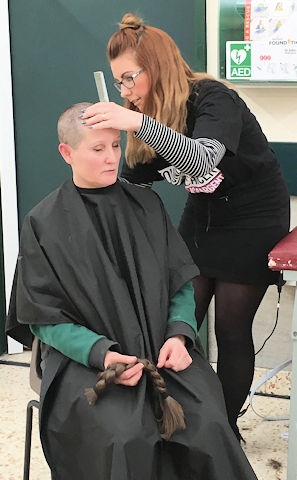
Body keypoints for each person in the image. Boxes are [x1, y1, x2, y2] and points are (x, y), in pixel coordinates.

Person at [6, 102, 259, 480]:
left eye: (115, 146)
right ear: (67, 152)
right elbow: (43, 318)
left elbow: (180, 284)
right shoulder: (44, 223)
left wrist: (180, 333)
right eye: (97, 149)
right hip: (87, 363)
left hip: (161, 350)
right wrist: (101, 354)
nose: (111, 158)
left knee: (206, 423)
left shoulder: (146, 205)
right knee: (124, 437)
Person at [79, 13, 291, 441]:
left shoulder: (214, 99)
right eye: (118, 82)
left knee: (231, 328)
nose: (125, 91)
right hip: (204, 216)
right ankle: (176, 420)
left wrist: (136, 122)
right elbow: (133, 182)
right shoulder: (151, 115)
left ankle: (223, 432)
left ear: (155, 66)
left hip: (254, 216)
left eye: (129, 78)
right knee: (177, 321)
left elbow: (199, 160)